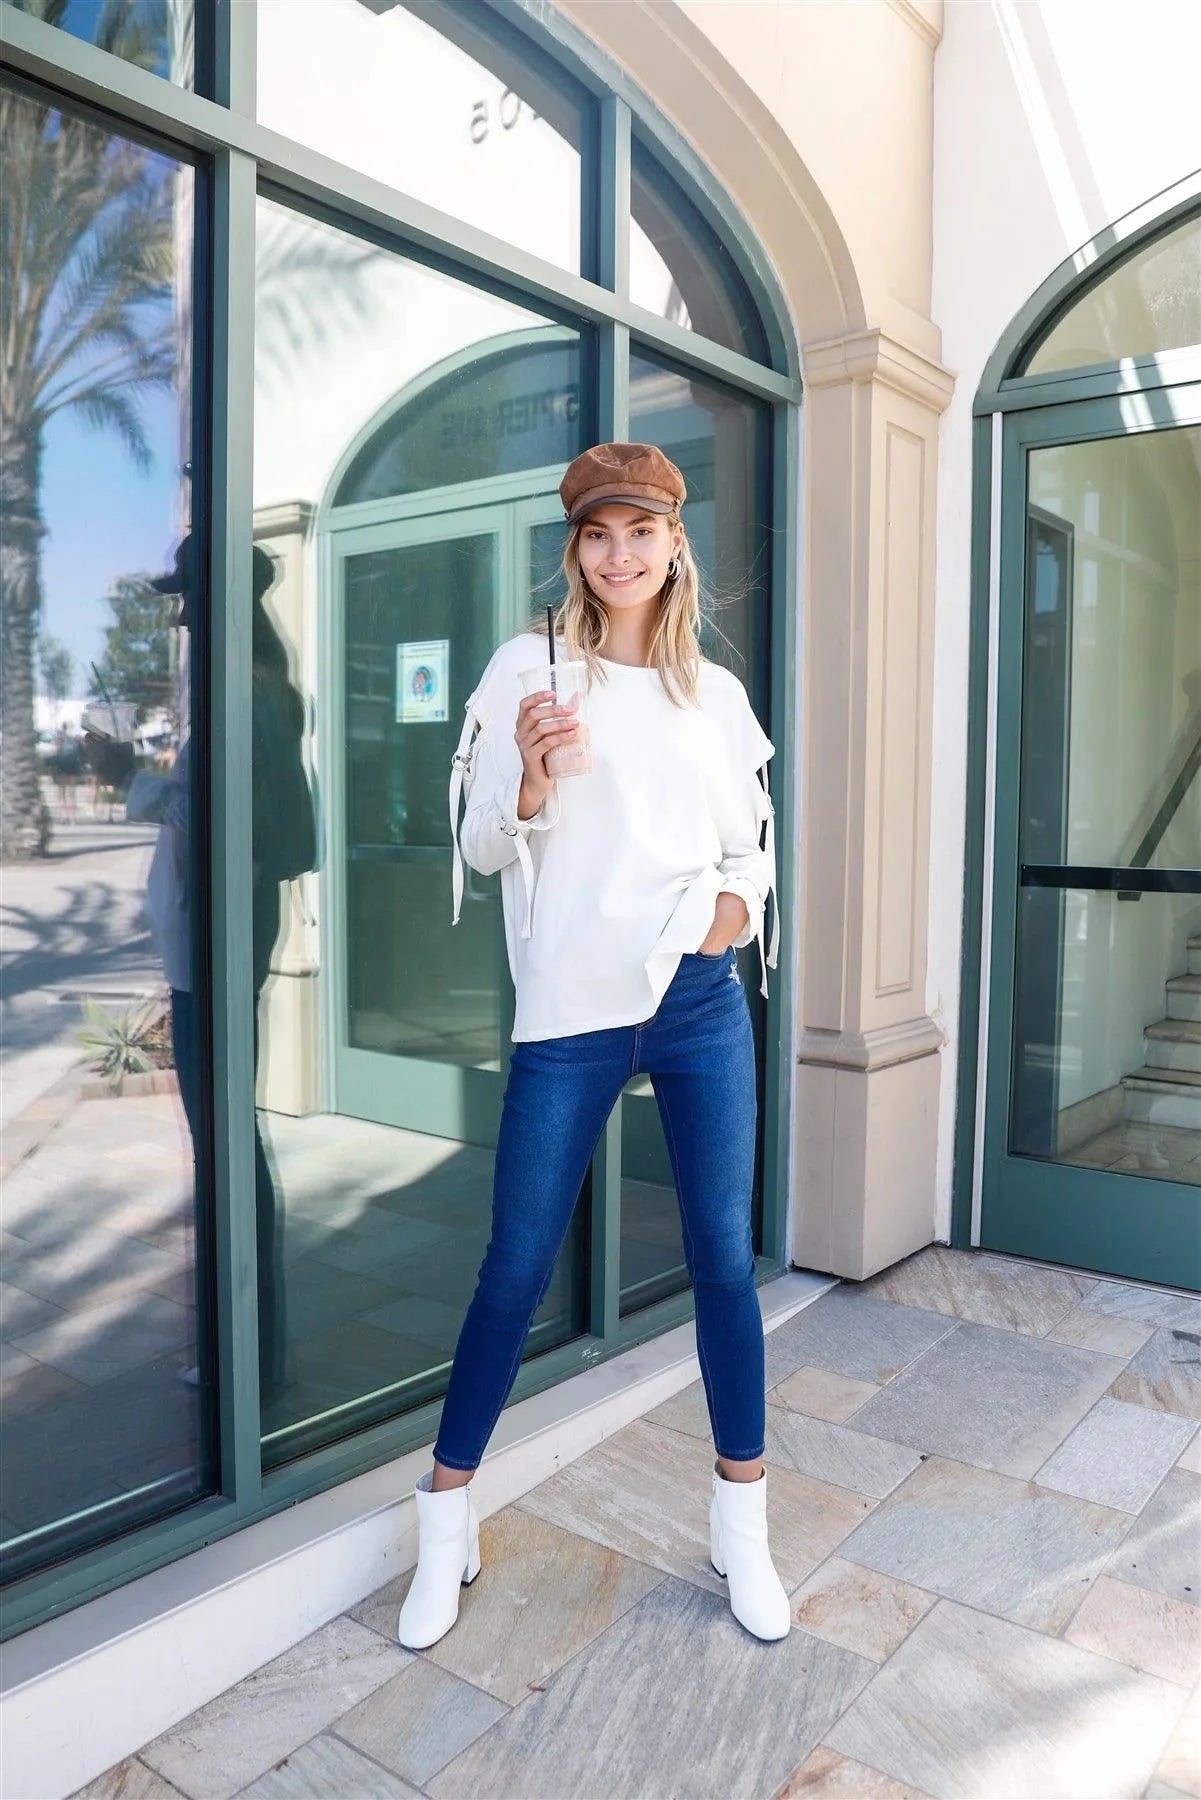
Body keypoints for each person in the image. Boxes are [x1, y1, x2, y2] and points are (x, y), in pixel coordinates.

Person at [401, 442, 785, 1651]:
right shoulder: (531, 667)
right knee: (515, 1266)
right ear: (575, 550)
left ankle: (742, 1529)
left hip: (695, 998)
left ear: (674, 544)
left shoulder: (711, 693)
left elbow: (750, 847)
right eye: (597, 534)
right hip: (570, 1010)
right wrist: (526, 778)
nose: (619, 555)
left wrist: (729, 916)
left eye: (640, 532)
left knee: (721, 1261)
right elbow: (479, 848)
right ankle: (444, 1525)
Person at [125, 534, 315, 1401]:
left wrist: (133, 781)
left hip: (219, 951)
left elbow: (224, 824)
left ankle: (251, 1358)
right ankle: (249, 1352)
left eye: (189, 601)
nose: (181, 620)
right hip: (215, 952)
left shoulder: (248, 697)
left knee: (227, 1155)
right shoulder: (253, 692)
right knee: (226, 1149)